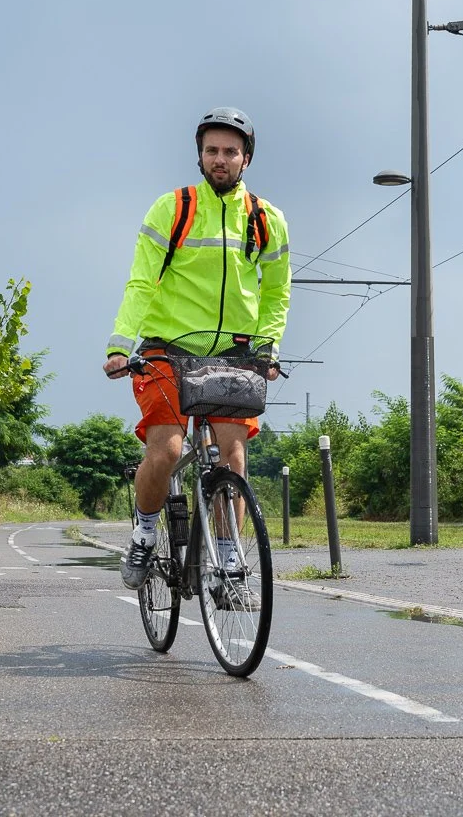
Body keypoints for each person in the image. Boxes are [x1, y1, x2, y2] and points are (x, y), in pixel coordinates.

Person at [103, 106, 291, 596]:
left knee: (232, 458)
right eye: (212, 150)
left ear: (246, 158)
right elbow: (142, 280)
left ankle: (228, 562)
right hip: (167, 349)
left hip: (235, 352)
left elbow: (275, 293)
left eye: (230, 151)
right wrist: (121, 346)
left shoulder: (266, 220)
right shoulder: (173, 208)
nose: (220, 159)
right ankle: (145, 531)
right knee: (165, 450)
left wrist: (268, 346)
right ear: (200, 156)